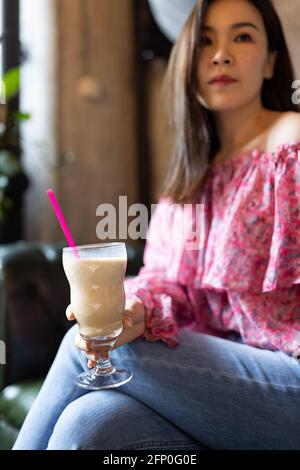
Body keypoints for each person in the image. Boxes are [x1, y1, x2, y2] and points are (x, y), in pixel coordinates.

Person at [14, 0, 300, 450]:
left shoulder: (292, 143)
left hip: (289, 382)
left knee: (83, 344)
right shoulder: (189, 180)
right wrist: (135, 313)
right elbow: (167, 283)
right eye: (204, 40)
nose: (220, 54)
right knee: (89, 423)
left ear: (271, 63)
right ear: (186, 61)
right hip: (224, 396)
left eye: (242, 37)